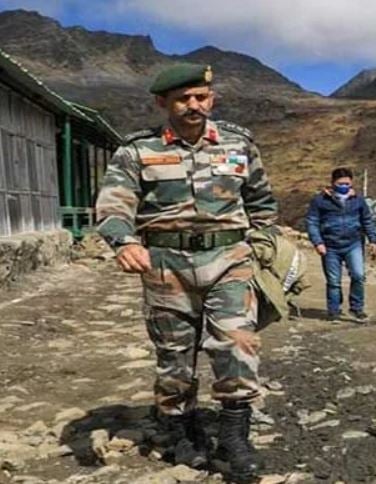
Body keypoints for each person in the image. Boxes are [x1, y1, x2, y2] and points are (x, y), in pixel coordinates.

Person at [95, 63, 276, 483]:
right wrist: (125, 242)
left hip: (228, 260)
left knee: (236, 343)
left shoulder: (239, 144)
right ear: (163, 103)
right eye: (183, 99)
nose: (194, 106)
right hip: (166, 267)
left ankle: (235, 435)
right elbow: (113, 206)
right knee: (175, 358)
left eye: (201, 97)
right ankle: (182, 431)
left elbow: (263, 202)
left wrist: (261, 248)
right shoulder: (137, 151)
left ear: (211, 98)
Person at [305, 167, 376, 322]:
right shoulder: (320, 201)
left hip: (353, 243)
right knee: (333, 281)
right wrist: (317, 242)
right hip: (330, 245)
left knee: (358, 276)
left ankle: (356, 308)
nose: (344, 186)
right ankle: (334, 311)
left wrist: (373, 239)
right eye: (340, 183)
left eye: (347, 183)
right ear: (333, 183)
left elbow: (367, 220)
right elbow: (312, 222)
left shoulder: (358, 200)